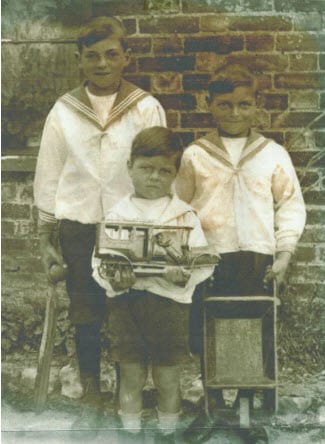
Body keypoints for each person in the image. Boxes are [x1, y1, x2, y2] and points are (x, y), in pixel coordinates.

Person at [33, 16, 166, 434]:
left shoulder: (145, 107)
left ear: (126, 57)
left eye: (111, 54)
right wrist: (46, 239)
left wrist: (159, 220)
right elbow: (48, 173)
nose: (102, 64)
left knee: (132, 310)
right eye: (92, 56)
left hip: (131, 224)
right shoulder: (64, 110)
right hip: (78, 225)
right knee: (86, 311)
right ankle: (91, 389)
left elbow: (160, 168)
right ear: (79, 61)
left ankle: (131, 396)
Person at [175, 63, 306, 443]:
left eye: (244, 105)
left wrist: (283, 253)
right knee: (207, 331)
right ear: (209, 104)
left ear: (257, 105)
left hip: (256, 257)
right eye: (226, 105)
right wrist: (186, 251)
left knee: (252, 330)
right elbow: (179, 207)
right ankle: (212, 406)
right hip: (210, 258)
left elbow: (291, 205)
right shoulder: (195, 155)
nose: (235, 113)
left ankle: (245, 410)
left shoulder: (272, 154)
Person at [92, 126, 214, 443]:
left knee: (167, 375)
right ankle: (130, 433)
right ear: (130, 167)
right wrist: (114, 278)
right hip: (126, 305)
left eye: (164, 171)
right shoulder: (117, 213)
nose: (154, 177)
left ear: (175, 173)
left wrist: (184, 275)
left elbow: (202, 262)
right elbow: (98, 262)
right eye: (146, 168)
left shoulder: (184, 216)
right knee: (130, 374)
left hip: (169, 306)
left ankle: (167, 433)